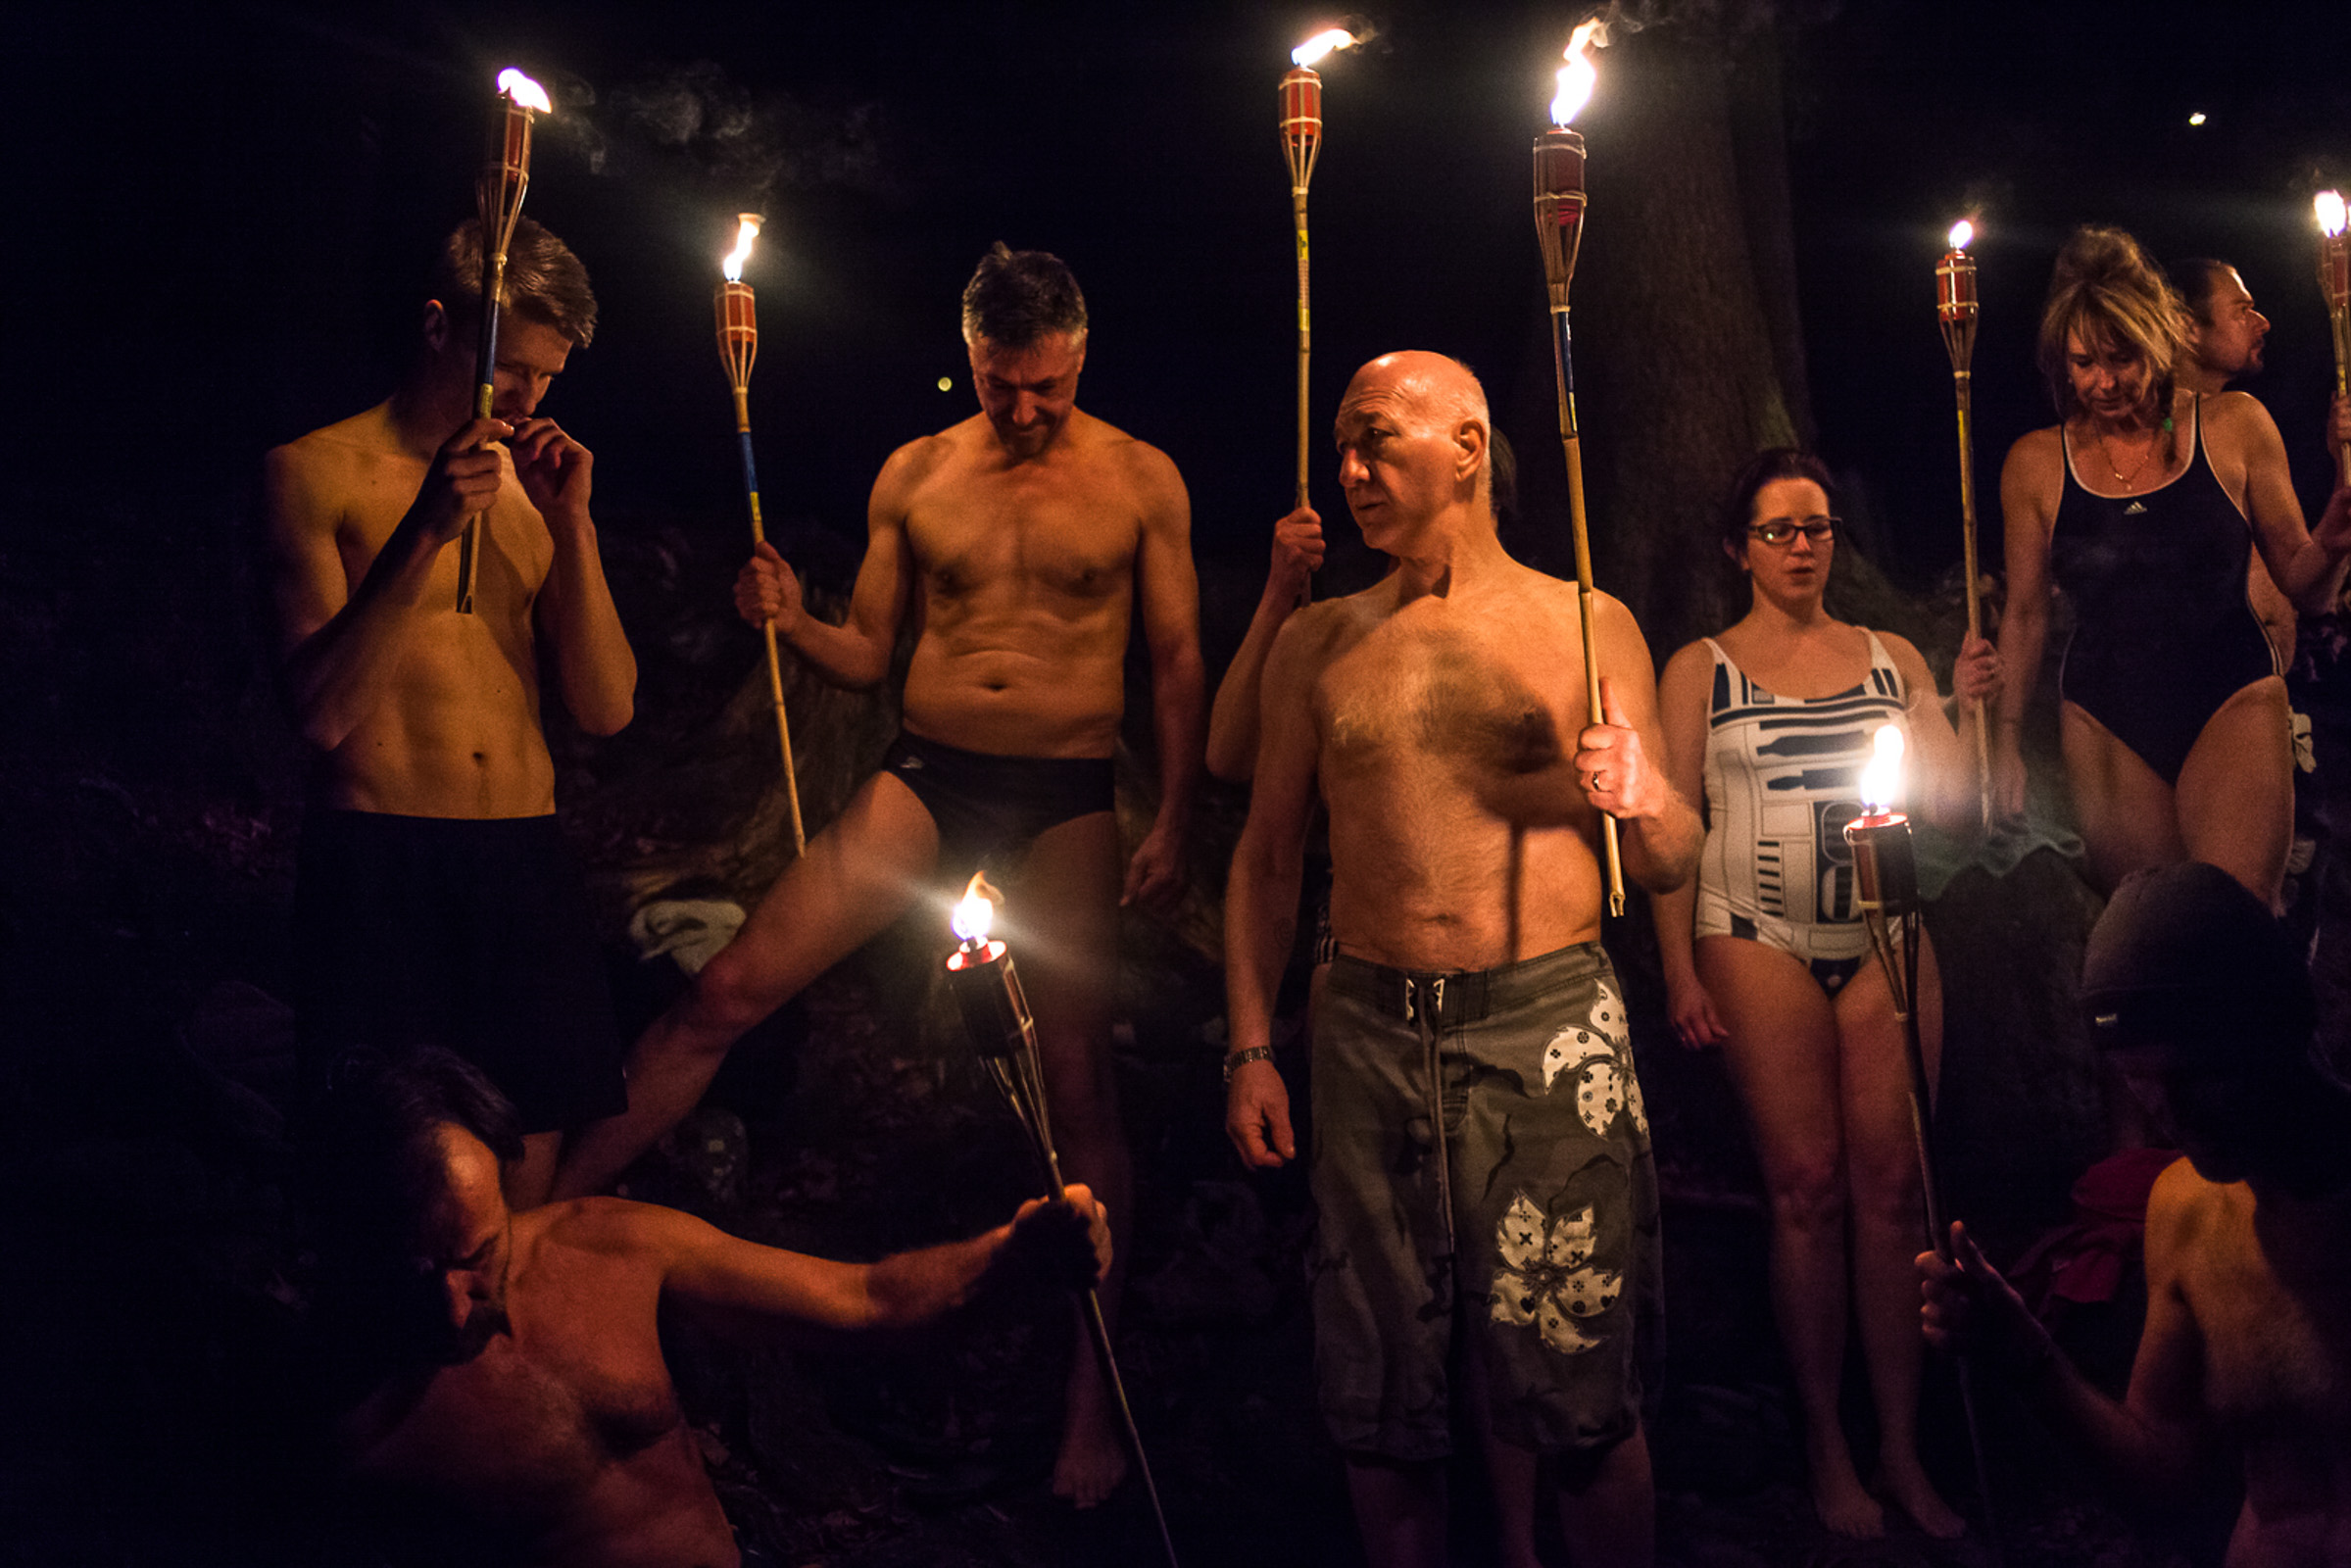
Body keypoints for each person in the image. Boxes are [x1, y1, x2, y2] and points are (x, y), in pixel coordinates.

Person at [553, 244, 1202, 1507]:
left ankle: (1091, 1409)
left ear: (1079, 357)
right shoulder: (917, 472)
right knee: (727, 991)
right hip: (929, 772)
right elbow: (865, 655)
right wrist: (792, 618)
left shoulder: (1140, 479)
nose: (1021, 411)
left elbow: (1173, 662)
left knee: (1078, 1090)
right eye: (999, 384)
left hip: (1067, 791)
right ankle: (532, 1225)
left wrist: (1170, 814)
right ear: (971, 360)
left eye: (1045, 387)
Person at [1223, 351, 1700, 1568]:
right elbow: (1267, 855)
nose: (1348, 471)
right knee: (1381, 1411)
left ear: (1468, 448)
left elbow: (1664, 863)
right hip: (1367, 1026)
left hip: (1543, 1018)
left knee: (1580, 1396)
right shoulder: (1320, 641)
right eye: (1341, 444)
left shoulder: (1583, 622)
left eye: (1375, 439)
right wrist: (1248, 1045)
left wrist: (1640, 795)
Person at [306, 1046, 1109, 1568]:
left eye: (473, 1257)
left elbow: (865, 1301)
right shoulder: (348, 1425)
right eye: (414, 1274)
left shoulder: (609, 1247)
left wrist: (1013, 1254)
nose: (452, 1308)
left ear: (506, 1188)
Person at [1651, 449, 1995, 1540]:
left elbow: (1952, 815)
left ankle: (1898, 1444)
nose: (1801, 547)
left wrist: (1966, 707)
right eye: (1777, 530)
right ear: (1735, 548)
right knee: (1805, 1189)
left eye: (1816, 527)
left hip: (1886, 933)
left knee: (1894, 1189)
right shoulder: (1699, 668)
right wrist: (1672, 968)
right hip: (1755, 936)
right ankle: (1823, 1441)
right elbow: (1666, 829)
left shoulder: (1889, 655)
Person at [265, 218, 638, 1211]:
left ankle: (501, 1358)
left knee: (532, 1156)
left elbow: (606, 706)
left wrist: (572, 522)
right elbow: (320, 715)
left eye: (549, 378)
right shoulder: (314, 471)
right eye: (512, 371)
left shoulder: (534, 488)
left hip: (523, 856)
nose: (530, 401)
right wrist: (426, 531)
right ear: (439, 327)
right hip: (382, 857)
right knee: (393, 1173)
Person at [1919, 860, 2351, 1568]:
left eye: (2192, 1075)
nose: (2169, 1115)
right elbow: (2163, 1482)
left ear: (2266, 1026)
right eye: (2136, 1082)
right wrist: (2024, 1355)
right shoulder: (2186, 1214)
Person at [1991, 225, 2351, 907]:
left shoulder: (2234, 425)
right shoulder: (2034, 464)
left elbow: (2304, 587)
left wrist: (2333, 538)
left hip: (2229, 693)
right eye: (2082, 363)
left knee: (2234, 921)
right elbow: (2025, 612)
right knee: (2153, 941)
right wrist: (2003, 738)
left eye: (2120, 358)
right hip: (2106, 715)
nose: (2102, 381)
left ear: (2155, 340)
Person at [2172, 258, 2295, 667]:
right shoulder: (2153, 442)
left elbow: (2306, 581)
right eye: (2241, 310)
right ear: (2188, 328)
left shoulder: (2246, 423)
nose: (2261, 323)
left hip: (2268, 692)